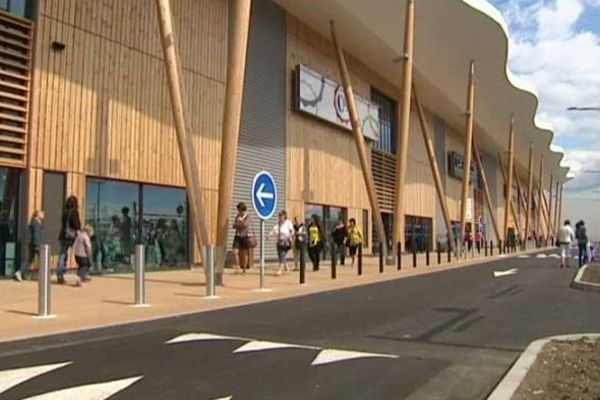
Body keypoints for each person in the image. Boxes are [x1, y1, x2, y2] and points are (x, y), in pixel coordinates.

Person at [56, 196, 81, 284]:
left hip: (63, 235)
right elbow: (75, 224)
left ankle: (60, 274)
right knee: (78, 251)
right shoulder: (74, 212)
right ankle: (82, 271)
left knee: (62, 254)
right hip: (71, 236)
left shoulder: (65, 212)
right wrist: (78, 228)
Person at [14, 210, 45, 282]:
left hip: (33, 244)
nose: (43, 214)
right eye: (41, 213)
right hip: (36, 244)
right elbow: (36, 235)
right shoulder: (35, 223)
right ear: (37, 215)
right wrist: (38, 244)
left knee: (30, 259)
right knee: (42, 260)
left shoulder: (35, 222)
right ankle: (43, 276)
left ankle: (21, 272)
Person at [270, 211, 294, 276]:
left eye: (281, 216)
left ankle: (280, 270)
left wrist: (289, 236)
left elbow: (292, 232)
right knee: (281, 256)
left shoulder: (288, 223)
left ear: (285, 216)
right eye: (279, 216)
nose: (280, 217)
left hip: (286, 243)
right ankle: (287, 268)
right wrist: (270, 235)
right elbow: (274, 231)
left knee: (282, 255)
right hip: (279, 243)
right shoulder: (278, 225)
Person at [233, 202, 253, 274]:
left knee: (244, 253)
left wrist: (238, 225)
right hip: (238, 236)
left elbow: (245, 225)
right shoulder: (237, 216)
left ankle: (244, 269)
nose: (238, 212)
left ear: (242, 210)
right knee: (235, 251)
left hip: (245, 236)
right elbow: (234, 225)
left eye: (239, 210)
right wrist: (238, 225)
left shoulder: (248, 216)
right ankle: (238, 266)